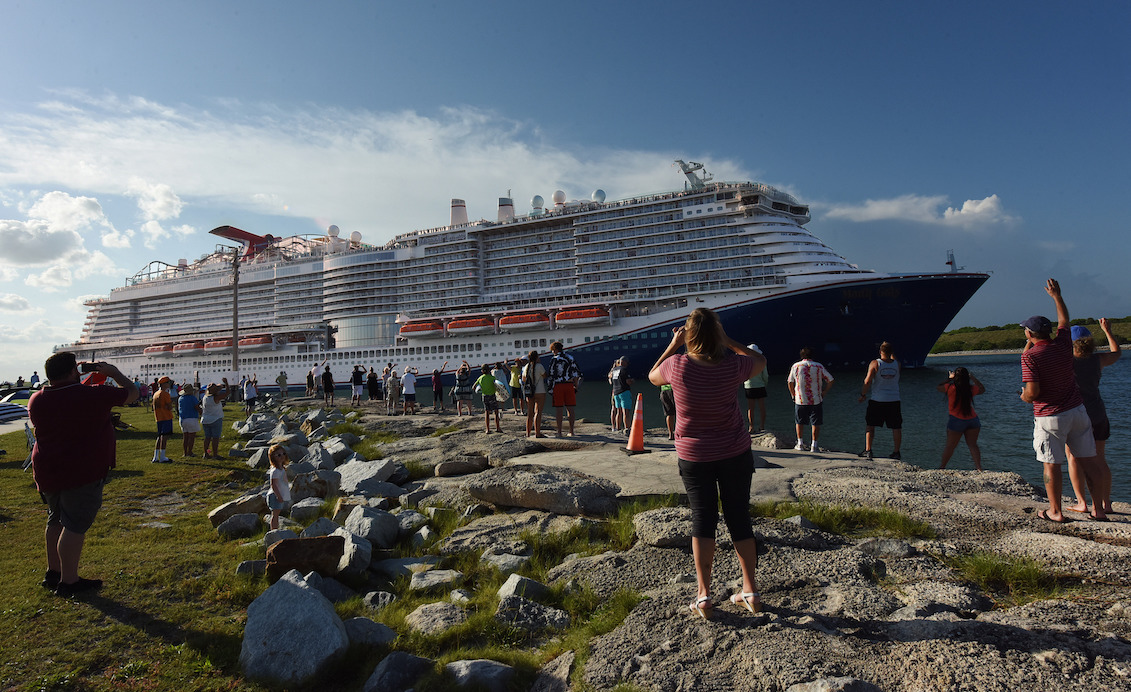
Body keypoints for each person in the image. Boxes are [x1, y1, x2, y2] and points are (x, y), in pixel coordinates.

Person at [648, 308, 766, 618]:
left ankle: (703, 595)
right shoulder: (733, 365)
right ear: (716, 334)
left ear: (688, 335)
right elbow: (761, 362)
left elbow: (651, 375)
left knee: (703, 519)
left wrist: (674, 345)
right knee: (739, 516)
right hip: (735, 451)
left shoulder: (676, 366)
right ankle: (750, 590)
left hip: (694, 455)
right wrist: (729, 341)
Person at [28, 354, 138, 596]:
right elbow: (132, 392)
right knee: (75, 525)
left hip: (48, 470)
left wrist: (80, 380)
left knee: (55, 519)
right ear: (72, 371)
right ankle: (69, 582)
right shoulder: (94, 395)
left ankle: (53, 573)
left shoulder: (36, 399)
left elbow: (68, 401)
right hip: (81, 470)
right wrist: (113, 373)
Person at [1020, 278, 1105, 522]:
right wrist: (1057, 297)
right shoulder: (1064, 344)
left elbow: (1033, 392)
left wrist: (1024, 396)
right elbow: (1065, 321)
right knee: (1091, 462)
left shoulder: (1030, 357)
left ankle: (1055, 511)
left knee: (1051, 466)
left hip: (1050, 416)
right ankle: (1098, 510)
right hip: (1078, 411)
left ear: (1029, 333)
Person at [1066, 320, 1120, 516]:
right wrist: (1108, 330)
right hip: (1098, 414)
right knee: (1099, 459)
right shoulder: (1098, 360)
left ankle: (1082, 502)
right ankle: (1106, 504)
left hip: (1076, 415)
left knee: (1073, 458)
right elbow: (1117, 353)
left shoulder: (1066, 362)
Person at [857, 342, 902, 460]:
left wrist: (863, 394)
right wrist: (891, 352)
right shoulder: (897, 364)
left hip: (878, 399)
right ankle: (896, 452)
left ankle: (868, 450)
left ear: (880, 351)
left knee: (870, 425)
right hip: (894, 399)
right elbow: (893, 358)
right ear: (891, 352)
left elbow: (867, 381)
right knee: (896, 427)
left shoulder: (875, 363)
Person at [787, 347, 834, 453]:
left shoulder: (796, 366)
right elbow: (830, 379)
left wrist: (793, 395)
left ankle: (800, 443)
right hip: (816, 399)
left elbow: (790, 382)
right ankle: (814, 445)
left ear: (801, 355)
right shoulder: (818, 366)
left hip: (800, 399)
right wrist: (824, 392)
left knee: (799, 421)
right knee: (815, 423)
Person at [938, 367, 985, 470]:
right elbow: (982, 389)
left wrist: (950, 378)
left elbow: (938, 387)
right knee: (973, 445)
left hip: (956, 420)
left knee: (950, 446)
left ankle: (942, 467)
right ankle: (979, 468)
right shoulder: (970, 388)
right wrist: (972, 377)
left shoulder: (950, 388)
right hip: (972, 419)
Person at [548, 341, 581, 437]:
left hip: (558, 385)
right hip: (569, 385)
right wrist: (576, 386)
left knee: (559, 409)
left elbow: (551, 375)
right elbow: (576, 373)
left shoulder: (554, 359)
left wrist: (550, 389)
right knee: (570, 408)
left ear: (555, 350)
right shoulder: (570, 358)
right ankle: (571, 431)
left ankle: (559, 432)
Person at [743, 344, 768, 433]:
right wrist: (765, 383)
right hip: (760, 385)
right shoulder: (761, 361)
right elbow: (765, 375)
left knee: (751, 408)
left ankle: (751, 427)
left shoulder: (745, 362)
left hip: (749, 386)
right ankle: (762, 426)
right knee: (762, 407)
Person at [522, 350, 547, 438]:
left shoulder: (526, 366)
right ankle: (537, 433)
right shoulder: (539, 366)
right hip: (540, 391)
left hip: (529, 392)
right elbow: (544, 376)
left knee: (530, 414)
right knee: (538, 412)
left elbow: (523, 379)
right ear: (537, 357)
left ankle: (528, 434)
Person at [266, 444, 291, 530]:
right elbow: (273, 485)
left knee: (277, 513)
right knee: (275, 514)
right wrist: (278, 496)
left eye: (283, 454)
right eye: (279, 455)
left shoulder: (282, 468)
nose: (282, 456)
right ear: (273, 457)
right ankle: (274, 530)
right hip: (275, 495)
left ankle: (275, 529)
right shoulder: (275, 470)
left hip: (279, 494)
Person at [201, 382, 228, 459]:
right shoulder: (216, 398)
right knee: (215, 438)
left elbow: (213, 389)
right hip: (215, 419)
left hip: (205, 419)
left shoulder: (205, 396)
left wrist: (219, 387)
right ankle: (215, 455)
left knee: (207, 438)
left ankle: (205, 453)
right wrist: (226, 383)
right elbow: (227, 393)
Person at [475, 364, 504, 433]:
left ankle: (487, 429)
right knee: (496, 412)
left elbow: (474, 387)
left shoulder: (480, 378)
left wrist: (481, 389)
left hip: (484, 396)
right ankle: (498, 428)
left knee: (487, 413)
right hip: (492, 396)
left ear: (482, 371)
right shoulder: (492, 378)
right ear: (489, 370)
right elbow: (497, 386)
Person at [608, 356, 634, 433]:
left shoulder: (614, 370)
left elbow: (610, 378)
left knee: (618, 411)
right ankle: (627, 428)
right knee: (626, 412)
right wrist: (632, 381)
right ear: (625, 362)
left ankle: (617, 428)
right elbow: (628, 381)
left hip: (615, 392)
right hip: (624, 391)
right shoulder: (624, 370)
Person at [153, 376, 175, 463]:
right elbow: (169, 407)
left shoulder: (156, 394)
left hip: (159, 417)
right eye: (168, 383)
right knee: (164, 437)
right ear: (164, 384)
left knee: (159, 437)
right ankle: (162, 457)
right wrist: (170, 405)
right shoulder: (165, 394)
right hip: (166, 417)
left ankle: (156, 457)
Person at [178, 383, 202, 458]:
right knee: (191, 437)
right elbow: (197, 407)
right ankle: (190, 452)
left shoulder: (181, 398)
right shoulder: (192, 398)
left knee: (185, 437)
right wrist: (201, 412)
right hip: (191, 418)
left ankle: (185, 453)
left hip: (183, 419)